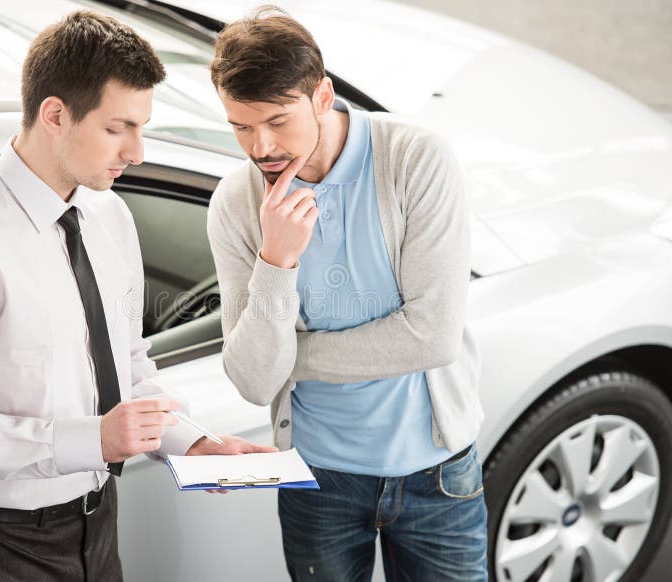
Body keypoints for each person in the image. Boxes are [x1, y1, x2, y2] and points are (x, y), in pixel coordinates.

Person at [0, 10, 272, 582]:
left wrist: (193, 445)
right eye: (118, 128)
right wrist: (90, 439)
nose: (138, 151)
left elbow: (128, 365)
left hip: (97, 521)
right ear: (55, 115)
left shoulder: (107, 215)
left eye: (141, 127)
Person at [206, 7, 487, 581]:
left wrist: (294, 361)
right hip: (318, 479)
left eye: (278, 121)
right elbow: (256, 380)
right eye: (240, 126)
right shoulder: (237, 205)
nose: (260, 147)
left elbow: (431, 337)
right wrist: (276, 260)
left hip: (436, 473)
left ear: (322, 95)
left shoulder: (414, 159)